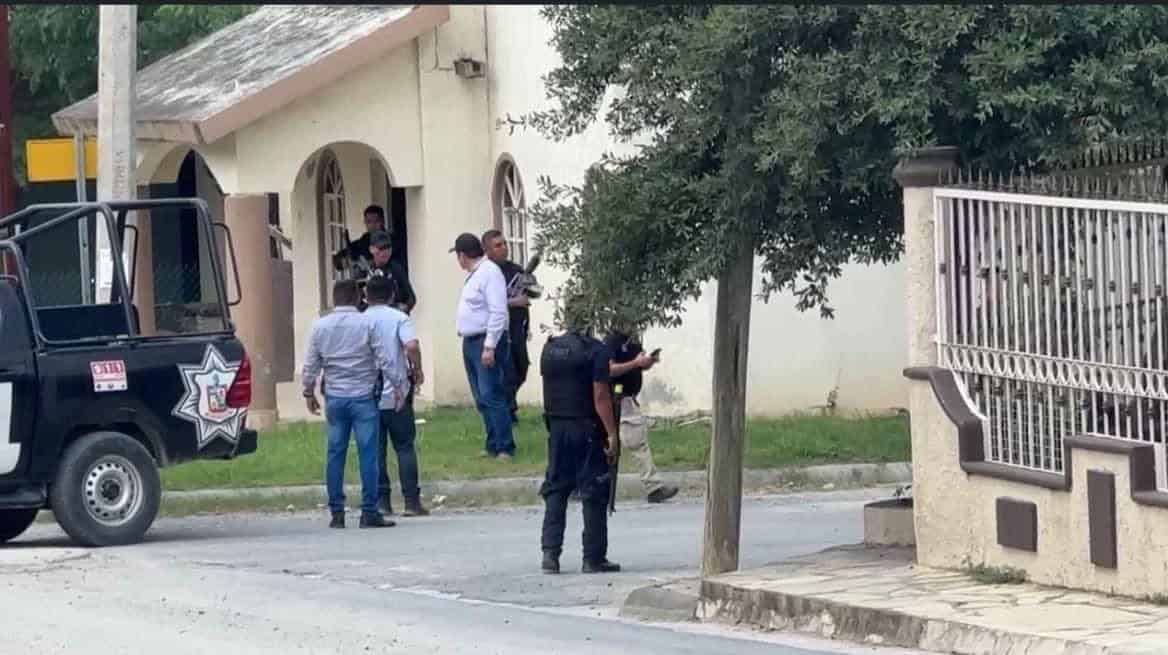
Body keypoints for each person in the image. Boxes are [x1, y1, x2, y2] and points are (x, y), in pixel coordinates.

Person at [301, 279, 404, 529]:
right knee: (368, 454)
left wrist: (308, 391)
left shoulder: (320, 326)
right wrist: (398, 386)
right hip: (363, 397)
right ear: (358, 298)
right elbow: (384, 358)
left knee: (335, 453)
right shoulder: (366, 323)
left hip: (335, 397)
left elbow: (311, 364)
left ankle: (337, 512)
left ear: (334, 298)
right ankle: (369, 511)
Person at [538, 296, 621, 575]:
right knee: (593, 490)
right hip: (586, 427)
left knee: (556, 488)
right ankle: (593, 557)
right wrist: (612, 434)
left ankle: (550, 555)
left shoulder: (549, 350)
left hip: (557, 427)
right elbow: (600, 396)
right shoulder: (595, 351)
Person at [364, 275, 429, 517]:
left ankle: (382, 501)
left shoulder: (361, 321)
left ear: (366, 297)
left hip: (369, 393)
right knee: (404, 446)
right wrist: (418, 369)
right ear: (392, 295)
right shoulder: (399, 318)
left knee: (376, 449)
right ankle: (412, 502)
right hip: (397, 391)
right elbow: (411, 346)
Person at [450, 232, 516, 460]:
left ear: (462, 255)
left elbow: (498, 311)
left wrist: (489, 346)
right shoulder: (475, 274)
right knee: (481, 396)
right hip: (471, 340)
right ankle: (492, 442)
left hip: (485, 340)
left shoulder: (489, 273)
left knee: (491, 393)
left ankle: (505, 446)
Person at [605, 328, 680, 504]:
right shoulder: (612, 340)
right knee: (634, 443)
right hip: (617, 399)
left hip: (629, 399)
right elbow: (609, 369)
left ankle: (652, 487)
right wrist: (636, 363)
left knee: (632, 443)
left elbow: (636, 366)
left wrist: (648, 362)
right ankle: (653, 487)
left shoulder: (633, 341)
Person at [482, 229, 530, 425]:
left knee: (522, 366)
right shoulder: (486, 273)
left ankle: (508, 402)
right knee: (506, 371)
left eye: (504, 244)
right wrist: (512, 302)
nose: (503, 248)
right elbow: (488, 303)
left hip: (519, 326)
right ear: (488, 251)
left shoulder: (516, 269)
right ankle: (508, 410)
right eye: (498, 245)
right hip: (500, 329)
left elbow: (528, 293)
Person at [368, 230, 417, 314]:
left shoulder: (396, 268)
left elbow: (411, 298)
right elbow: (358, 302)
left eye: (388, 247)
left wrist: (404, 308)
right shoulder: (366, 270)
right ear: (372, 249)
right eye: (381, 248)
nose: (385, 252)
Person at [332, 204, 389, 273]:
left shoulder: (391, 239)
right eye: (369, 222)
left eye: (376, 221)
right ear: (365, 223)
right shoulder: (365, 239)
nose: (373, 225)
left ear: (383, 221)